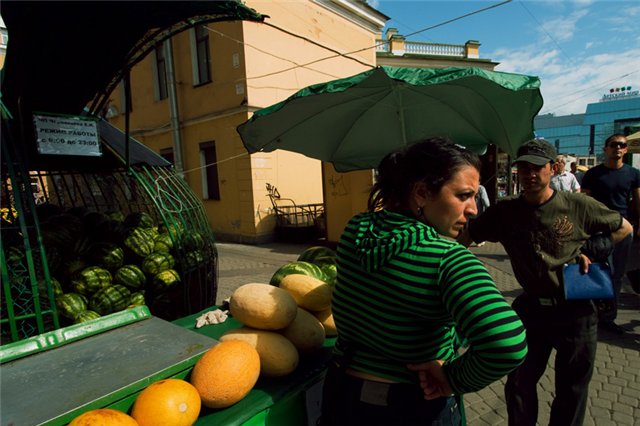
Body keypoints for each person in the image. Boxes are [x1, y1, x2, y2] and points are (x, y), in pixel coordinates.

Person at [320, 138, 528, 426]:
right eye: (463, 196)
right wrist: (452, 379)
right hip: (415, 405)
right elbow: (509, 343)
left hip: (345, 395)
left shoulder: (355, 230)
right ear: (421, 194)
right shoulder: (449, 260)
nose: (473, 210)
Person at [458, 138, 633, 426]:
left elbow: (624, 227)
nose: (529, 174)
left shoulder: (577, 205)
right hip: (531, 310)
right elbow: (465, 238)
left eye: (536, 168)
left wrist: (596, 247)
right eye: (523, 167)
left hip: (576, 311)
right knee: (519, 384)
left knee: (571, 389)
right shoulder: (505, 212)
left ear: (552, 169)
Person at [581, 133, 640, 333]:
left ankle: (608, 318)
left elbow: (637, 202)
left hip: (623, 230)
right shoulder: (593, 174)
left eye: (622, 145)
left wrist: (637, 224)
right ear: (606, 149)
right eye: (614, 144)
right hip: (597, 232)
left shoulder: (633, 174)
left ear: (626, 150)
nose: (618, 148)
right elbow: (584, 203)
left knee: (616, 275)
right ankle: (591, 314)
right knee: (597, 273)